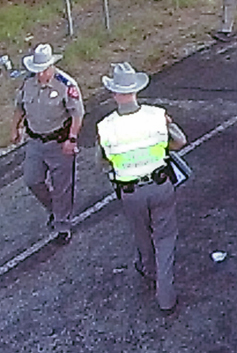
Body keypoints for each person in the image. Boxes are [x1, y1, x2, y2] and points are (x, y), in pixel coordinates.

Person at [97, 63, 187, 314]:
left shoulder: (106, 127)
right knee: (165, 238)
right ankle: (165, 295)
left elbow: (102, 160)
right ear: (136, 90)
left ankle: (148, 269)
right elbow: (180, 141)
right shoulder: (156, 116)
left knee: (142, 234)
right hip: (160, 185)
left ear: (114, 93)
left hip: (130, 192)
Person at [11, 43, 83, 242]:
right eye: (37, 70)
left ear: (52, 66)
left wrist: (72, 139)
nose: (40, 74)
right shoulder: (28, 83)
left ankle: (62, 225)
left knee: (62, 186)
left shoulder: (66, 85)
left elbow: (77, 114)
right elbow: (20, 107)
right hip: (35, 140)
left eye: (43, 70)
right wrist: (15, 128)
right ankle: (56, 209)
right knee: (32, 180)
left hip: (58, 142)